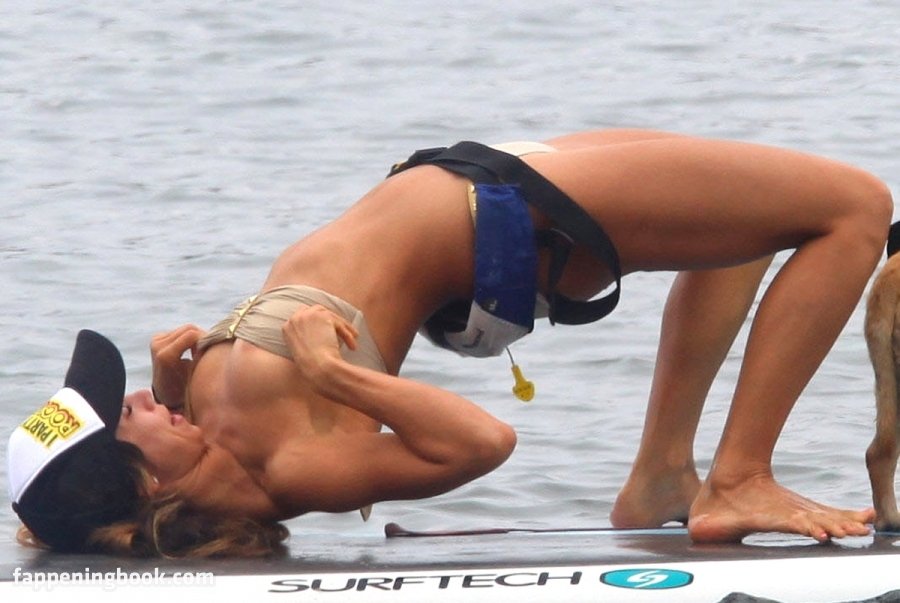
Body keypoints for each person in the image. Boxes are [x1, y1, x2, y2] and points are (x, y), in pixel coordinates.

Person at [7, 129, 892, 557]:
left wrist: (174, 387)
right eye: (121, 419)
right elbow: (481, 442)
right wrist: (333, 374)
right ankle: (738, 478)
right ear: (148, 484)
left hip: (474, 183)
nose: (134, 397)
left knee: (750, 224)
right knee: (852, 207)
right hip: (508, 220)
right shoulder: (296, 473)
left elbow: (178, 452)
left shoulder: (208, 431)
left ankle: (664, 472)